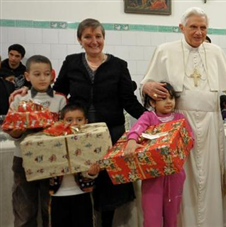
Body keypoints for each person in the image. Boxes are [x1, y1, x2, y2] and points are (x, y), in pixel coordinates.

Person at [141, 7, 226, 227]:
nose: (198, 32)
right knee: (184, 178)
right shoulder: (164, 51)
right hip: (179, 125)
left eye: (203, 27)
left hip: (211, 124)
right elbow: (146, 84)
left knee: (211, 177)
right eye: (193, 26)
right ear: (181, 27)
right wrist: (146, 85)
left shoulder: (214, 52)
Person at [52, 18, 146, 227]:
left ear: (104, 38)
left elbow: (129, 101)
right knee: (80, 180)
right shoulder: (71, 62)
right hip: (79, 133)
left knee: (110, 184)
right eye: (88, 37)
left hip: (112, 133)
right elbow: (58, 93)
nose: (94, 41)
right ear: (79, 39)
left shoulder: (119, 65)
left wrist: (151, 119)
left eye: (98, 36)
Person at [5, 55, 67, 227]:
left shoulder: (60, 99)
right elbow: (13, 134)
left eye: (46, 74)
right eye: (37, 74)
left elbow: (66, 129)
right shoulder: (19, 99)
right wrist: (20, 128)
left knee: (51, 208)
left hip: (52, 160)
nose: (42, 78)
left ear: (52, 75)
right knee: (24, 209)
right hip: (23, 159)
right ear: (27, 76)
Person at [125, 82, 193, 227]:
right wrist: (132, 140)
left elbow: (189, 139)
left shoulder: (180, 118)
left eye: (171, 98)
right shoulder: (149, 116)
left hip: (175, 175)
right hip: (152, 175)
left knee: (172, 215)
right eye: (163, 98)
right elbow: (137, 128)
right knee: (151, 216)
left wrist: (182, 146)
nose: (169, 102)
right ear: (152, 102)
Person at [50, 103, 100, 227]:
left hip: (82, 194)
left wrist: (92, 173)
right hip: (58, 194)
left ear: (86, 121)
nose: (74, 123)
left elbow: (93, 167)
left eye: (79, 119)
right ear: (61, 121)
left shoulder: (89, 142)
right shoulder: (53, 142)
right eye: (69, 120)